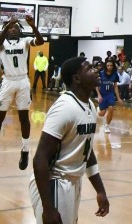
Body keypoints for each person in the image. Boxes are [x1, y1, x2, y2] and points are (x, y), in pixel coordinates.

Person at [29, 56, 110, 223]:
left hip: (73, 181)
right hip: (55, 182)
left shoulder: (90, 106)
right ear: (77, 78)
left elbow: (86, 150)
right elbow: (40, 158)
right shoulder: (64, 107)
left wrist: (100, 190)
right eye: (89, 68)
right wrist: (48, 208)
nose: (96, 70)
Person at [0, 15, 44, 171]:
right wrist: (7, 25)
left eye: (15, 27)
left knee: (24, 117)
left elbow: (40, 42)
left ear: (19, 30)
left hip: (23, 81)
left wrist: (33, 26)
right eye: (9, 27)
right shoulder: (1, 43)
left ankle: (25, 150)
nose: (12, 29)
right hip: (8, 81)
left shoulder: (25, 41)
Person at [96, 61, 122, 133]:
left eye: (111, 65)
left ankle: (107, 126)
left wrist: (118, 98)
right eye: (108, 65)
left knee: (111, 108)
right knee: (102, 113)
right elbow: (96, 85)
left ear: (113, 66)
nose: (109, 67)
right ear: (105, 66)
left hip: (110, 94)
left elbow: (116, 86)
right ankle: (98, 109)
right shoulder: (101, 73)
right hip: (102, 94)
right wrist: (98, 94)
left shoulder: (115, 74)